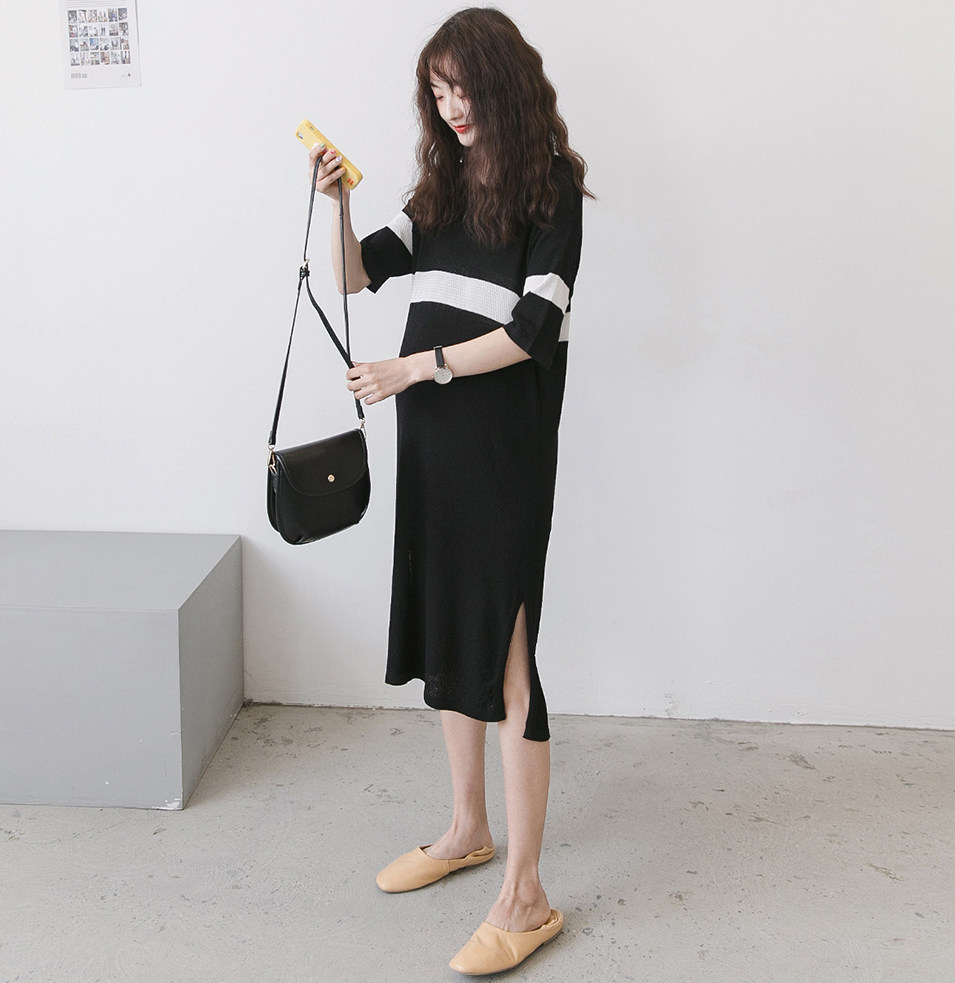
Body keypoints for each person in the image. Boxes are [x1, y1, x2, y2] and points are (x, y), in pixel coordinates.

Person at [308, 7, 590, 975]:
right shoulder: (436, 188)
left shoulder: (549, 185)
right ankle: (467, 827)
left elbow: (530, 332)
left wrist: (413, 367)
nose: (450, 106)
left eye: (462, 86)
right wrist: (337, 202)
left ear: (501, 82)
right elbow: (354, 276)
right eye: (436, 90)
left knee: (506, 656)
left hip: (501, 450)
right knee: (448, 630)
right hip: (431, 444)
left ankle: (527, 894)